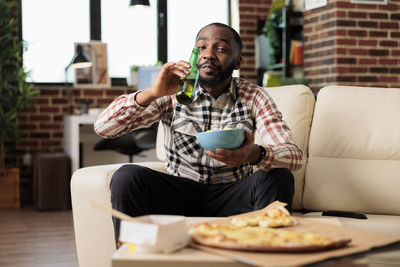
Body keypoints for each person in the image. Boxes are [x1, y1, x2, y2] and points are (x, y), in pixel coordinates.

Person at [94, 22, 303, 245]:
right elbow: (103, 128)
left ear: (238, 60)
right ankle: (133, 258)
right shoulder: (172, 92)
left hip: (232, 196)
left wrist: (254, 154)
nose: (208, 55)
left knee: (278, 177)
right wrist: (152, 93)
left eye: (221, 49)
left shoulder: (254, 96)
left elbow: (294, 156)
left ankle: (265, 254)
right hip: (177, 194)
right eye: (201, 48)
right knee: (127, 177)